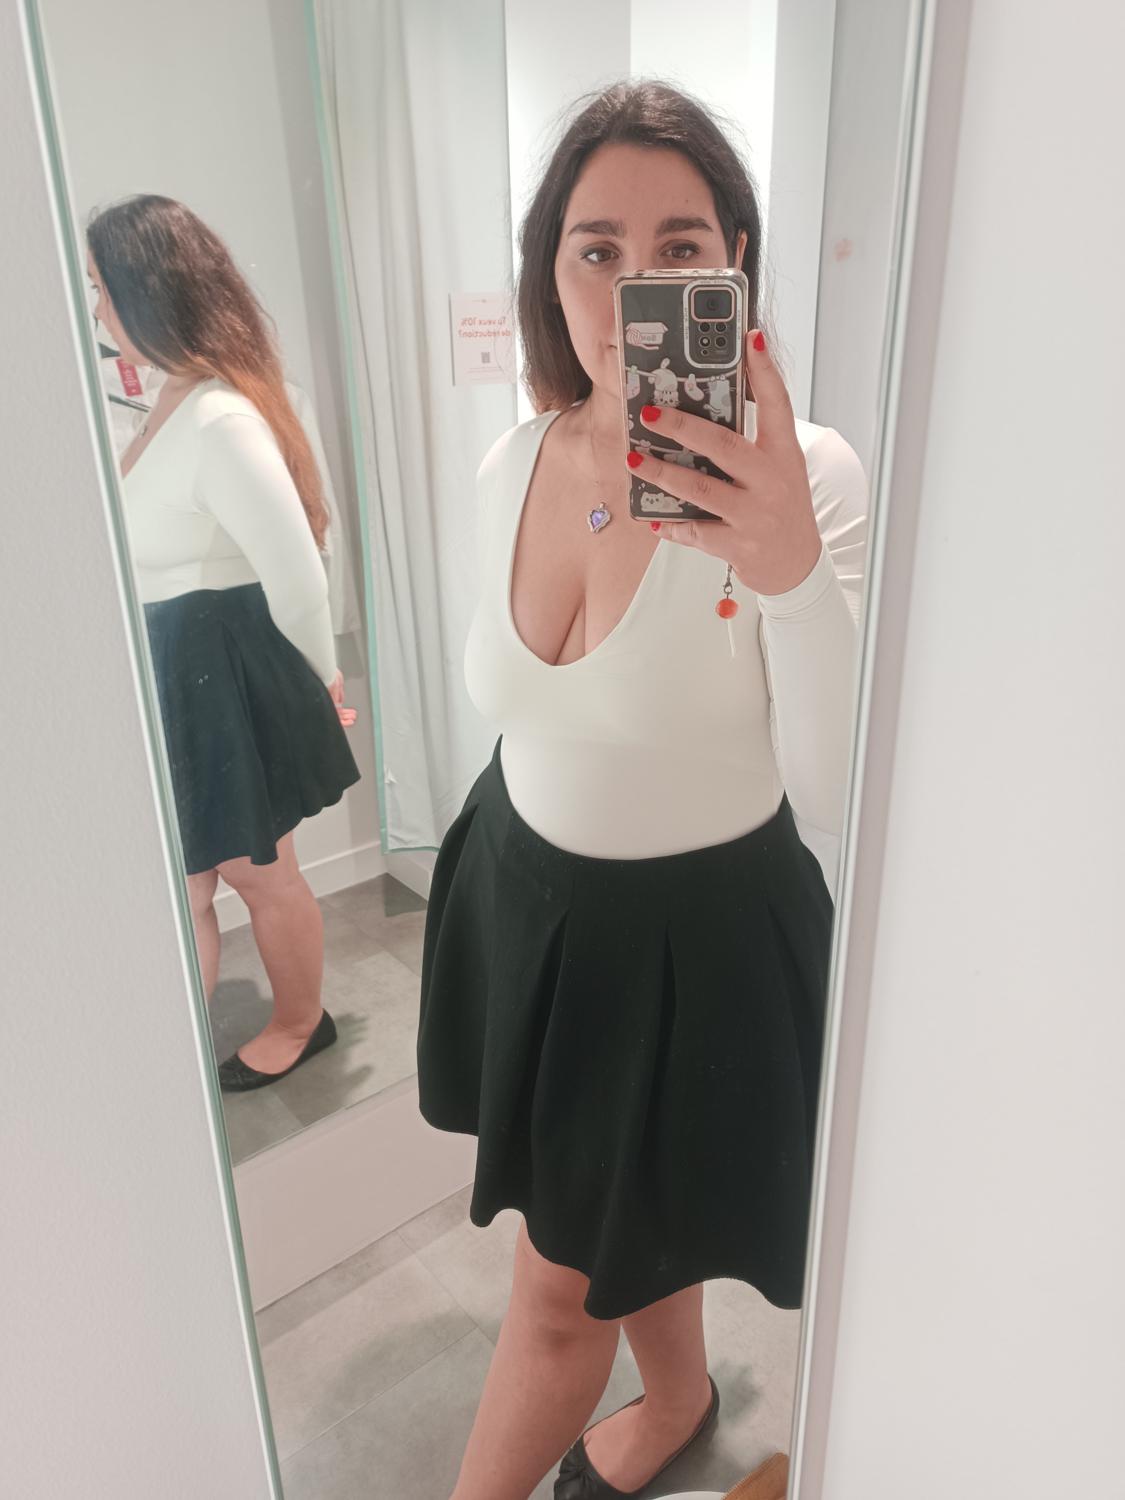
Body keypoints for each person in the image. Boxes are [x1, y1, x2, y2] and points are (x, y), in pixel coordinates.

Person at [417, 81, 868, 1500]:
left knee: (557, 1304)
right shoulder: (510, 459)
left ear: (734, 263)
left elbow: (834, 789)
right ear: (549, 272)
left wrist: (786, 567)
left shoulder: (805, 476)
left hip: (694, 934)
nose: (632, 292)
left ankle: (663, 1396)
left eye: (679, 248)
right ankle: (677, 1395)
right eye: (596, 249)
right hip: (526, 898)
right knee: (620, 1222)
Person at [86, 195, 362, 1092]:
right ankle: (177, 1064)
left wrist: (321, 685)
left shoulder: (218, 418)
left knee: (256, 873)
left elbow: (298, 574)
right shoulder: (168, 401)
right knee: (191, 883)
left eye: (101, 289)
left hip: (220, 675)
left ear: (144, 292)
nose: (97, 311)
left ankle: (300, 1022)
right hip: (176, 672)